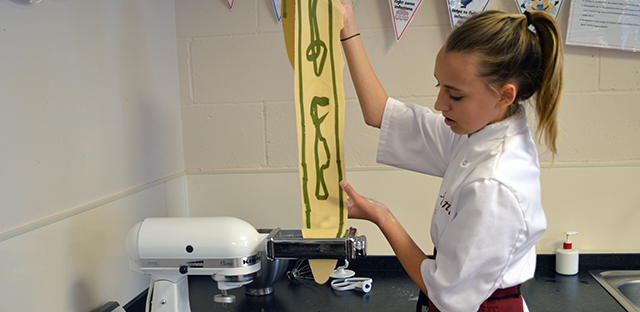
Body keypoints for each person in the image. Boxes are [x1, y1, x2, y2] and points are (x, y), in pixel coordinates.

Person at [338, 2, 563, 312]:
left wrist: (382, 217)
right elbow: (380, 114)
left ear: (504, 95)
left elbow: (445, 293)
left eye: (455, 95)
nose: (440, 102)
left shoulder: (495, 184)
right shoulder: (477, 131)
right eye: (439, 85)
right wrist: (347, 24)